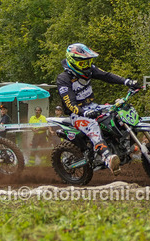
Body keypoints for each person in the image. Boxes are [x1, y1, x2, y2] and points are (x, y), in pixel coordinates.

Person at [56, 43, 140, 172]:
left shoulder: (90, 69)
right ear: (73, 62)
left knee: (118, 111)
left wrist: (127, 81)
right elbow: (69, 103)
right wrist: (84, 112)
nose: (87, 66)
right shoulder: (64, 79)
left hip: (92, 107)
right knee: (93, 127)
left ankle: (124, 145)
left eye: (88, 62)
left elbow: (106, 76)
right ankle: (108, 158)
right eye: (83, 63)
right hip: (78, 113)